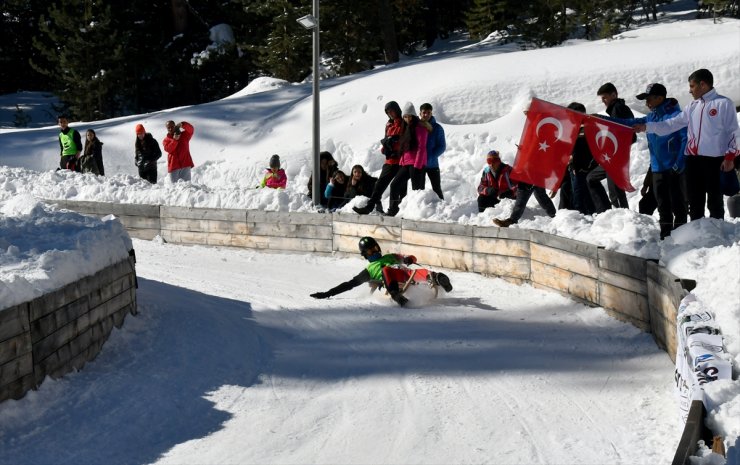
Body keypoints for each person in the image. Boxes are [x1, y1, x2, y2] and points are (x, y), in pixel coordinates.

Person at [634, 69, 739, 221]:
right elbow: (671, 124)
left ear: (702, 85)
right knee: (695, 200)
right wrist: (647, 127)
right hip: (692, 160)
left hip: (714, 160)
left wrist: (730, 157)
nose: (689, 90)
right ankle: (696, 233)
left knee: (714, 201)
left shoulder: (724, 103)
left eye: (692, 86)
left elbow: (734, 133)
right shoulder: (692, 106)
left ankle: (717, 236)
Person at [612, 83, 688, 239]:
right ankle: (666, 238)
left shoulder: (676, 116)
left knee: (678, 206)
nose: (647, 103)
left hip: (675, 170)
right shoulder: (651, 117)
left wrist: (678, 165)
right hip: (657, 170)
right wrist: (600, 119)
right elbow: (629, 123)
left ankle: (681, 240)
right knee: (663, 207)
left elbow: (685, 141)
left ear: (660, 98)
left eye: (649, 99)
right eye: (645, 99)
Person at [309, 236, 453, 307]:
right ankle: (397, 296)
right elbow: (349, 284)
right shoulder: (369, 270)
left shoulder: (390, 256)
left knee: (417, 271)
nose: (375, 252)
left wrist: (409, 259)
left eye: (376, 249)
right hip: (389, 282)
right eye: (370, 251)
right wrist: (327, 294)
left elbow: (407, 258)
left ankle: (437, 277)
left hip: (404, 274)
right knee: (386, 270)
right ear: (365, 255)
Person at [587, 83, 633, 212]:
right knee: (591, 178)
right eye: (602, 99)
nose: (603, 101)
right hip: (610, 156)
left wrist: (600, 119)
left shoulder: (619, 108)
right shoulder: (615, 110)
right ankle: (606, 212)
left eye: (605, 98)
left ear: (614, 95)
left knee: (616, 193)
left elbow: (625, 131)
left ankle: (623, 216)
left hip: (616, 157)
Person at [353, 101, 405, 215]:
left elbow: (403, 140)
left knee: (398, 187)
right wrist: (385, 146)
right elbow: (387, 140)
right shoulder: (388, 125)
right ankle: (369, 207)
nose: (390, 113)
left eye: (391, 110)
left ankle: (394, 210)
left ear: (397, 110)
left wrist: (393, 141)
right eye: (388, 112)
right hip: (390, 160)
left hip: (401, 161)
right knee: (379, 184)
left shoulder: (403, 123)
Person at [386, 102, 428, 216]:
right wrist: (401, 161)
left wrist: (418, 166)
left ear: (414, 116)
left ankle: (417, 214)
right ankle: (393, 209)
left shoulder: (420, 128)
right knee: (394, 185)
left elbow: (422, 148)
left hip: (416, 164)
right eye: (405, 116)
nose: (407, 118)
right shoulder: (405, 129)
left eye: (409, 116)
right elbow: (403, 148)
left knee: (417, 190)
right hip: (406, 163)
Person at [419, 102, 446, 199]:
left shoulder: (437, 128)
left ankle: (442, 208)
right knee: (419, 190)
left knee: (437, 188)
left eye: (429, 112)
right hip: (419, 164)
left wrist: (430, 156)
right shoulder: (417, 127)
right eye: (424, 112)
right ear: (420, 113)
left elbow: (442, 146)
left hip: (432, 164)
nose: (426, 114)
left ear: (431, 113)